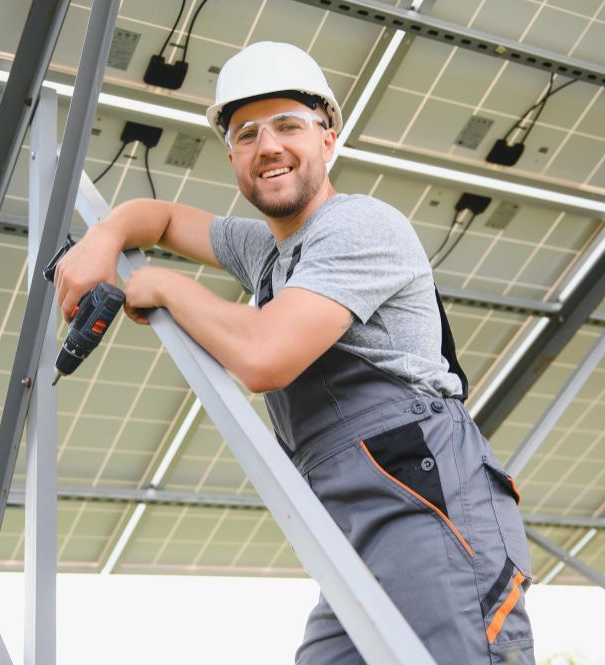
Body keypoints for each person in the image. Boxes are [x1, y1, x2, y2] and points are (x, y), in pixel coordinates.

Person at [54, 41, 534, 665]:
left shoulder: (360, 224)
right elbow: (164, 217)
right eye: (247, 134)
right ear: (232, 156)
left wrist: (168, 285)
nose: (268, 147)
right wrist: (106, 236)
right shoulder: (269, 254)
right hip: (349, 525)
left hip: (425, 505)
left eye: (288, 125)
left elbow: (264, 356)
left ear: (328, 138)